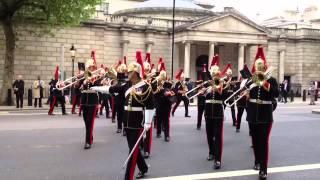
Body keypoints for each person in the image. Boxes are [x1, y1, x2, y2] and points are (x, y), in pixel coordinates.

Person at [92, 51, 154, 180]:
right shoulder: (127, 85)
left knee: (132, 153)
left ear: (136, 73)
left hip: (138, 122)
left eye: (130, 72)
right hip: (127, 121)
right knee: (133, 148)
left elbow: (150, 105)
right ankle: (143, 168)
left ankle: (128, 177)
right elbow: (111, 89)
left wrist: (148, 122)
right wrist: (96, 88)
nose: (127, 74)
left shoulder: (145, 88)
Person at [246, 46, 279, 180]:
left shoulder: (271, 80)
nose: (259, 68)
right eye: (257, 66)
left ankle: (263, 169)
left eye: (261, 65)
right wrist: (246, 95)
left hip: (265, 114)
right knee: (255, 140)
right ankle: (257, 161)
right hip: (253, 114)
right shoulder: (250, 80)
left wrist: (264, 83)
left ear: (265, 67)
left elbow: (276, 93)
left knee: (263, 141)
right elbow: (247, 94)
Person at [203, 54, 226, 169]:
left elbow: (221, 93)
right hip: (208, 111)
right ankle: (211, 152)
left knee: (218, 136)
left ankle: (218, 159)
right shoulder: (207, 82)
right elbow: (204, 95)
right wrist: (203, 90)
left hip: (217, 111)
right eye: (212, 72)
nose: (214, 73)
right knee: (209, 134)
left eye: (215, 72)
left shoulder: (220, 81)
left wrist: (214, 85)